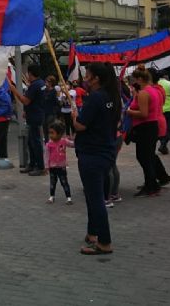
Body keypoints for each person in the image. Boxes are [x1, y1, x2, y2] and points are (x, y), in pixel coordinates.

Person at [71, 62, 119, 255]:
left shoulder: (95, 98)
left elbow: (81, 126)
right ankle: (92, 233)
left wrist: (74, 116)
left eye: (88, 75)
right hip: (105, 152)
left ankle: (104, 242)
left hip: (92, 154)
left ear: (96, 78)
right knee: (93, 197)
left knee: (96, 199)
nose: (85, 78)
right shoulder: (112, 96)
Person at [127, 67, 169, 197]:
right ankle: (151, 183)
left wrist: (129, 111)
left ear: (140, 79)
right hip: (151, 126)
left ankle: (151, 185)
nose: (133, 81)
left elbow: (143, 113)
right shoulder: (153, 90)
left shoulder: (144, 93)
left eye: (134, 79)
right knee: (148, 157)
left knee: (144, 157)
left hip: (145, 127)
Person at [9, 64, 46, 176]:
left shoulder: (35, 85)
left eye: (27, 73)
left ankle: (40, 167)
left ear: (30, 73)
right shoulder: (41, 83)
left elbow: (26, 101)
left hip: (35, 117)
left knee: (35, 142)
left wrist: (14, 90)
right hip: (35, 115)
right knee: (31, 142)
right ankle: (32, 164)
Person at [44, 121, 73, 205]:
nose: (50, 135)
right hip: (52, 167)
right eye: (49, 133)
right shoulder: (49, 144)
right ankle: (51, 196)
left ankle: (68, 198)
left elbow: (72, 144)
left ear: (60, 133)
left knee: (64, 182)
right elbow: (46, 156)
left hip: (62, 167)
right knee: (52, 183)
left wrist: (79, 141)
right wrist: (46, 166)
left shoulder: (64, 141)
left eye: (52, 133)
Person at [42, 76, 60, 142]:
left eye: (48, 81)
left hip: (51, 112)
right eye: (46, 81)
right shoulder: (44, 90)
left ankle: (52, 142)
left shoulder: (53, 91)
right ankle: (47, 142)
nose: (46, 83)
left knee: (50, 127)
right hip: (44, 111)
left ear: (52, 82)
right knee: (44, 128)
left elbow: (55, 101)